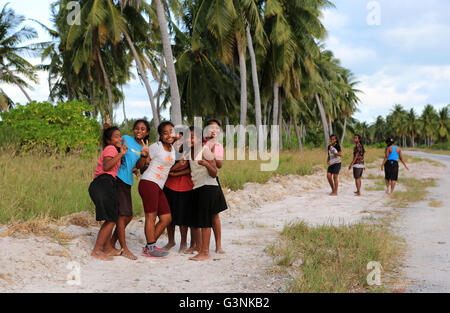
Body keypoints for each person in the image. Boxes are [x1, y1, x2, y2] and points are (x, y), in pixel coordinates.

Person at [106, 119, 150, 260]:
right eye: (137, 128)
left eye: (143, 129)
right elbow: (111, 142)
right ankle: (124, 248)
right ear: (133, 130)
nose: (139, 131)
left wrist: (144, 155)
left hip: (127, 181)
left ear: (147, 132)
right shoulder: (125, 138)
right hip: (118, 178)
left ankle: (111, 244)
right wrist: (106, 129)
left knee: (128, 216)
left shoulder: (144, 147)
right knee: (123, 214)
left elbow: (140, 166)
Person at [88, 126, 128, 261]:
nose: (120, 138)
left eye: (120, 135)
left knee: (111, 217)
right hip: (103, 183)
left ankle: (108, 248)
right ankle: (96, 251)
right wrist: (120, 154)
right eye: (116, 136)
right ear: (109, 140)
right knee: (111, 219)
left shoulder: (113, 149)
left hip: (104, 184)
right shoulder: (110, 149)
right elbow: (106, 167)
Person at [139, 121, 176, 258]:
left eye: (171, 132)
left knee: (166, 218)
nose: (168, 135)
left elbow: (168, 168)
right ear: (160, 135)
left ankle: (149, 246)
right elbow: (143, 166)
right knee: (151, 216)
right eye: (165, 133)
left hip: (159, 185)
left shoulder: (172, 149)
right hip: (149, 182)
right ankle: (150, 247)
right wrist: (144, 156)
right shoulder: (156, 146)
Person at [188, 126, 220, 261]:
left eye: (192, 136)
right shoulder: (189, 152)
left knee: (206, 221)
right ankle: (201, 249)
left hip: (208, 187)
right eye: (187, 137)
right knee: (200, 219)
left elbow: (214, 173)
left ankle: (205, 252)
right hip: (198, 187)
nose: (189, 139)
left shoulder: (205, 150)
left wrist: (206, 164)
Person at [162, 132, 194, 253]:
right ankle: (171, 241)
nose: (179, 139)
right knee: (169, 215)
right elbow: (164, 167)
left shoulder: (190, 150)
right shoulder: (169, 150)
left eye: (182, 137)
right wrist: (172, 171)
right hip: (169, 185)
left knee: (183, 217)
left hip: (185, 186)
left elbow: (190, 169)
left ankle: (183, 242)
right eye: (176, 137)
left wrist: (174, 173)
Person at [204, 119, 228, 254]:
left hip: (212, 180)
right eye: (210, 127)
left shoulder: (218, 145)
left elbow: (219, 165)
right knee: (200, 213)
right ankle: (197, 244)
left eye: (216, 128)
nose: (213, 130)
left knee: (214, 214)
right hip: (198, 181)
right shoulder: (199, 143)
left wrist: (211, 151)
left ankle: (218, 245)